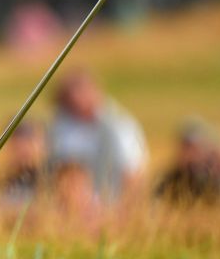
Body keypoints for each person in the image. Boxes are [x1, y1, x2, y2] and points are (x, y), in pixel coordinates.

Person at [47, 70, 147, 204]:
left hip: (112, 205)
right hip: (70, 207)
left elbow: (133, 174)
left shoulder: (120, 126)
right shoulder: (61, 125)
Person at [155, 118, 220, 207]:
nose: (189, 154)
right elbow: (157, 202)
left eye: (194, 148)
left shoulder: (214, 178)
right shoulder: (170, 179)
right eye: (186, 147)